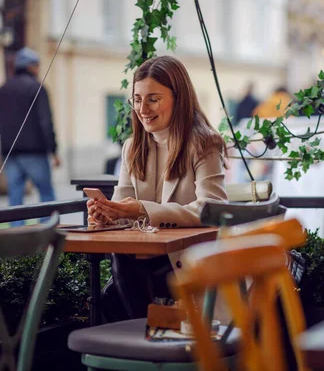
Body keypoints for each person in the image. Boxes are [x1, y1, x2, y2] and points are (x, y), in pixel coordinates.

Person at [87, 55, 228, 319]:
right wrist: (106, 215)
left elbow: (213, 209)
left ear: (179, 98)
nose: (143, 109)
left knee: (117, 282)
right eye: (137, 99)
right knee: (120, 266)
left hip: (186, 264)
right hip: (141, 266)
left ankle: (140, 337)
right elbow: (123, 210)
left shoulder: (205, 143)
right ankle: (143, 336)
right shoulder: (132, 147)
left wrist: (141, 210)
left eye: (153, 99)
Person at [0, 47, 60, 225]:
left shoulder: (3, 88)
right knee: (46, 195)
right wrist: (53, 150)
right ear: (31, 67)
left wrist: (8, 134)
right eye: (37, 65)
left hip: (9, 153)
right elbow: (46, 122)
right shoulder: (37, 88)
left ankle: (16, 241)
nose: (38, 68)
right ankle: (46, 236)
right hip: (34, 152)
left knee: (15, 198)